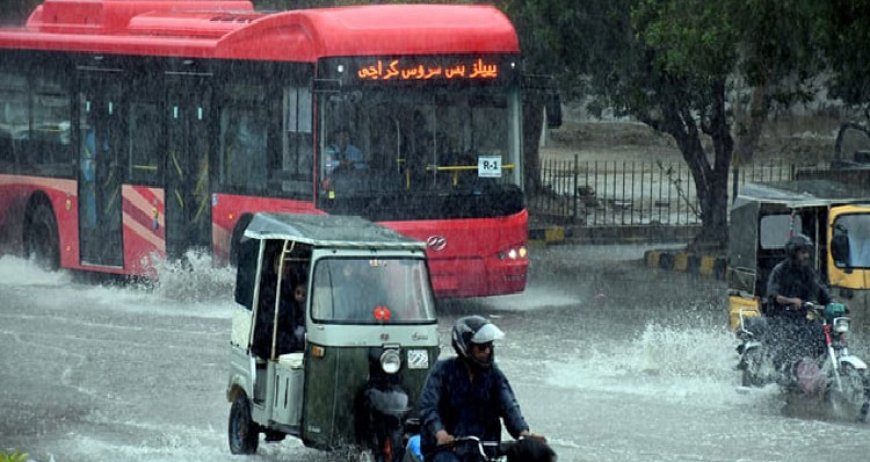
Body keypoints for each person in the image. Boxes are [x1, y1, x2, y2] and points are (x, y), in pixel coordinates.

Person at [419, 315, 546, 462]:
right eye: (481, 347)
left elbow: (509, 407)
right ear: (465, 347)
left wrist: (523, 433)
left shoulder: (494, 375)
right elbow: (428, 408)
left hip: (484, 449)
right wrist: (440, 433)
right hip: (447, 449)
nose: (487, 351)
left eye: (490, 345)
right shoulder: (442, 371)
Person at [765, 233, 831, 379]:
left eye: (808, 252)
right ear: (793, 253)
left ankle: (812, 370)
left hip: (801, 317)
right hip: (779, 317)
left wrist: (832, 304)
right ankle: (782, 374)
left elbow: (820, 290)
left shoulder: (808, 272)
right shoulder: (780, 270)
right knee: (788, 339)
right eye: (803, 252)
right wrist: (791, 301)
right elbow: (773, 295)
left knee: (821, 334)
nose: (806, 256)